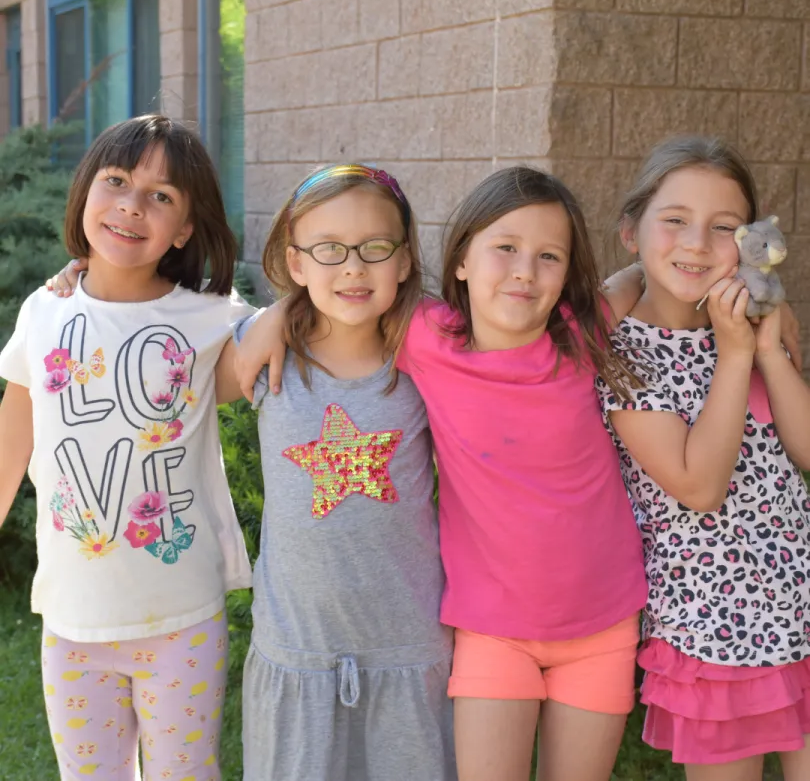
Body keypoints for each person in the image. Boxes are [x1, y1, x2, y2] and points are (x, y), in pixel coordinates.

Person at [237, 166, 652, 781]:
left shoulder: (581, 337)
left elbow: (644, 275)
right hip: (491, 627)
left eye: (548, 256)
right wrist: (282, 311)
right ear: (459, 261)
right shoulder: (428, 338)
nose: (523, 270)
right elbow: (345, 300)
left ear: (568, 276)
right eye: (505, 248)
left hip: (602, 621)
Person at [0, 114, 253, 781]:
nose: (132, 207)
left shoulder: (211, 319)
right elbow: (10, 441)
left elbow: (286, 340)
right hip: (73, 619)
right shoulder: (43, 311)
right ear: (85, 192)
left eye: (162, 196)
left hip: (182, 617)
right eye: (115, 181)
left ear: (187, 228)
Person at [232, 164, 455, 780]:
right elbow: (166, 332)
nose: (353, 267)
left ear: (405, 261)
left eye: (374, 249)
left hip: (409, 645)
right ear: (295, 262)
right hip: (299, 650)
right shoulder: (260, 350)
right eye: (329, 250)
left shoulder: (429, 359)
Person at [597, 135, 810, 780]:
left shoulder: (758, 319)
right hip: (713, 622)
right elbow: (698, 485)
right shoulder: (622, 353)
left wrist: (769, 350)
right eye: (675, 221)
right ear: (631, 231)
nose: (695, 243)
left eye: (723, 228)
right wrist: (736, 354)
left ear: (748, 244)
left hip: (800, 595)